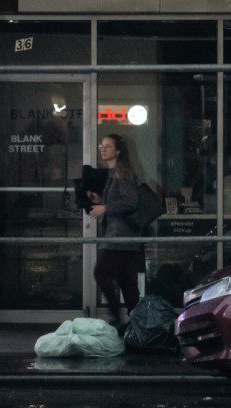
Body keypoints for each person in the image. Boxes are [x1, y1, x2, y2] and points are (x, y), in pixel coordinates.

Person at [89, 134, 142, 329]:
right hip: (122, 238)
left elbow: (131, 201)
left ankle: (116, 318)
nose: (102, 149)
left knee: (101, 273)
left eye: (107, 146)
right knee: (127, 284)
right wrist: (99, 201)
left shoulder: (122, 173)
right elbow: (119, 201)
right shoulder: (113, 174)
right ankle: (137, 326)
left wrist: (105, 208)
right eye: (101, 145)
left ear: (118, 151)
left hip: (119, 237)